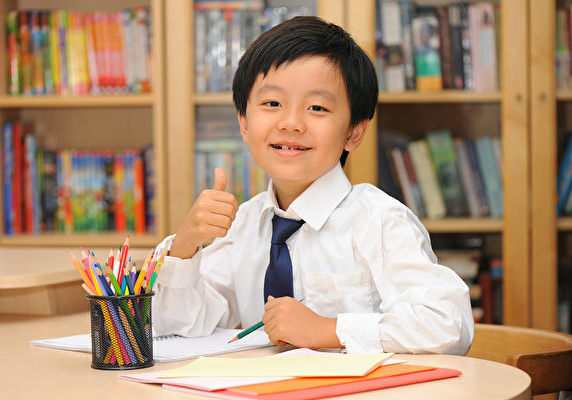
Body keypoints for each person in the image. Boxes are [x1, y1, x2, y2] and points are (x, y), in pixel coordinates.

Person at [152, 16, 474, 354]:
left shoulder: (378, 221)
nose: (291, 123)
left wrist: (329, 330)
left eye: (317, 107)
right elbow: (181, 328)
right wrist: (185, 246)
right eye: (272, 103)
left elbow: (448, 323)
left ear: (354, 132)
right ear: (244, 124)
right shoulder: (243, 226)